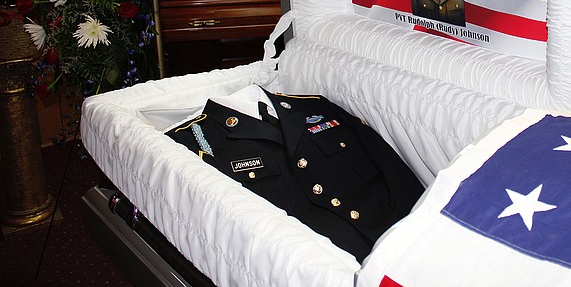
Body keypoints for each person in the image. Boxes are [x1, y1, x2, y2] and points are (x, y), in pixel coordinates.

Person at [165, 86, 424, 262]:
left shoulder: (315, 107)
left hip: (406, 247)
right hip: (324, 269)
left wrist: (425, 229)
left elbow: (390, 166)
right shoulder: (192, 143)